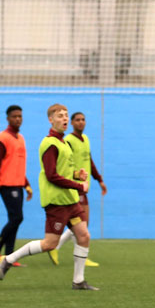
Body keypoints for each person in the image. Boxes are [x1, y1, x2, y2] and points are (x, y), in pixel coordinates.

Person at [0, 104, 98, 290]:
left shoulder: (63, 142)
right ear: (51, 120)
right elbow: (52, 176)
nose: (64, 119)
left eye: (66, 115)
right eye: (60, 116)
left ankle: (78, 281)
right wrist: (78, 185)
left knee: (84, 236)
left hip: (70, 200)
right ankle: (8, 259)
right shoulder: (49, 143)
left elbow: (64, 171)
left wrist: (77, 174)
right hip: (57, 202)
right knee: (50, 244)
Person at [48, 111, 106, 267]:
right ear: (72, 123)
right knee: (82, 224)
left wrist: (99, 179)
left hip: (83, 185)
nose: (81, 122)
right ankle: (71, 252)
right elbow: (65, 164)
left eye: (83, 119)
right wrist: (74, 179)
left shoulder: (85, 139)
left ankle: (57, 247)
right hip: (74, 186)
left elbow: (89, 160)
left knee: (81, 224)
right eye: (77, 120)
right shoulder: (68, 140)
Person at [0, 105, 33, 266]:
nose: (18, 119)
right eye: (14, 116)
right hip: (6, 185)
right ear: (8, 118)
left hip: (18, 185)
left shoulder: (20, 138)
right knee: (17, 217)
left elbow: (17, 165)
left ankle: (9, 256)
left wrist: (26, 185)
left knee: (15, 219)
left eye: (20, 116)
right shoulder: (3, 138)